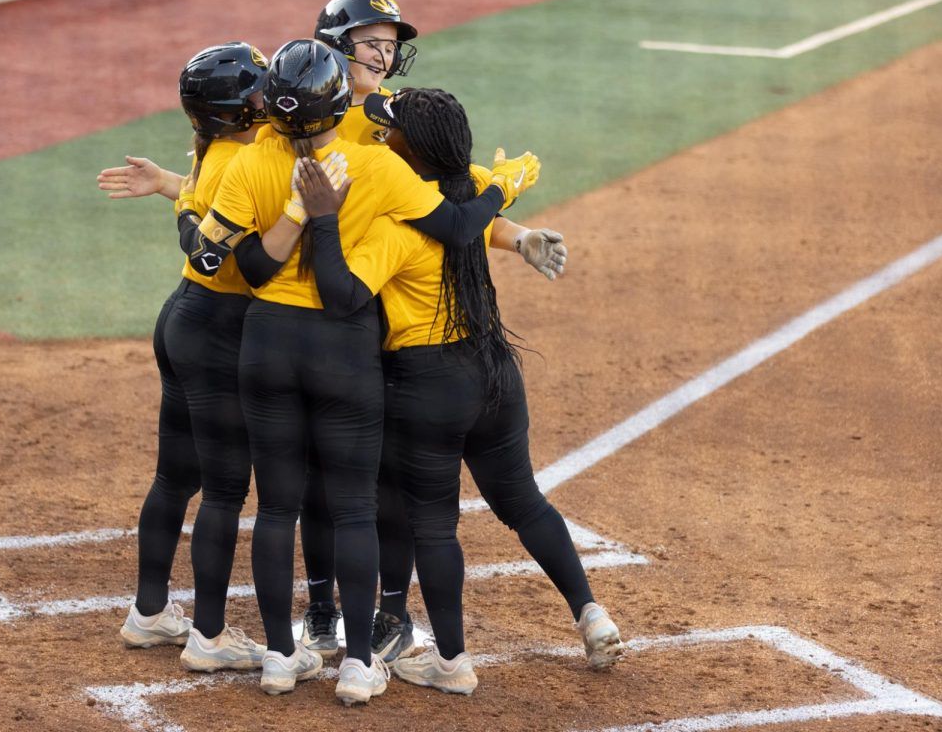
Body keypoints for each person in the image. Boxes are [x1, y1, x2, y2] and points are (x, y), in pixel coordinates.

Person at [187, 39, 538, 705]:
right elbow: (460, 225)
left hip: (264, 346)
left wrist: (288, 217)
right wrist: (503, 185)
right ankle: (356, 665)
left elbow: (221, 265)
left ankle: (280, 658)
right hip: (343, 350)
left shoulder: (247, 163)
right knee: (353, 507)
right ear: (340, 104)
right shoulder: (375, 164)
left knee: (277, 507)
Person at [293, 87, 621, 696]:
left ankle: (452, 662)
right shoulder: (468, 188)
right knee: (525, 502)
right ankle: (590, 612)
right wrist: (514, 220)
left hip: (428, 385)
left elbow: (341, 295)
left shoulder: (397, 225)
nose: (382, 137)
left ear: (412, 152)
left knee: (435, 527)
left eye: (392, 133)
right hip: (496, 370)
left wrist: (323, 223)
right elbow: (482, 207)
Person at [115, 41, 305, 674]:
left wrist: (172, 187)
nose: (267, 98)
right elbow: (222, 247)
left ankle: (148, 614)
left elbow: (200, 222)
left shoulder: (212, 151)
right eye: (256, 93)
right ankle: (210, 635)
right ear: (238, 110)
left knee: (176, 476)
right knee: (225, 489)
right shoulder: (246, 160)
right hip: (220, 332)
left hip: (182, 321)